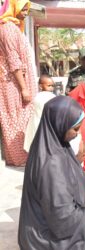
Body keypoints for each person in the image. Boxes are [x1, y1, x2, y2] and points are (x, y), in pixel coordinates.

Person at [18, 96, 85, 249]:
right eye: (75, 129)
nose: (77, 133)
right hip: (46, 239)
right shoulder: (51, 164)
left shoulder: (50, 144)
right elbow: (63, 219)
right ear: (60, 124)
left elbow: (63, 190)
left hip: (45, 228)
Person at [0, 0, 37, 166]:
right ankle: (18, 159)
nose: (26, 12)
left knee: (21, 119)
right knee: (15, 120)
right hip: (13, 85)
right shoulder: (7, 28)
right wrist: (24, 88)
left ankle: (18, 158)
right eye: (24, 8)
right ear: (13, 6)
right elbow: (14, 60)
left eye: (28, 9)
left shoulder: (14, 27)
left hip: (16, 83)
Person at [24, 75, 56, 152]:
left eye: (52, 86)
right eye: (49, 85)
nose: (51, 88)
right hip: (45, 124)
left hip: (35, 123)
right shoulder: (52, 97)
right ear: (40, 86)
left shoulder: (36, 96)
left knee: (35, 146)